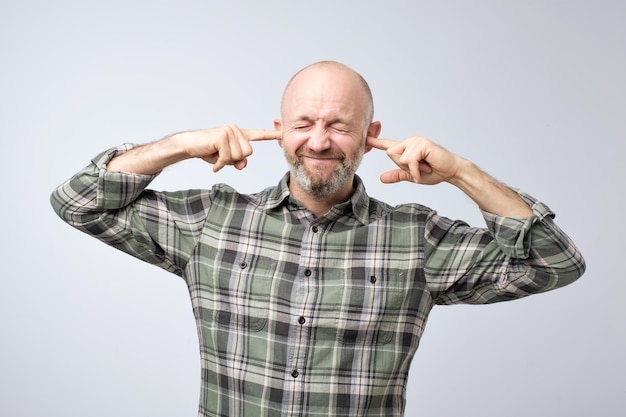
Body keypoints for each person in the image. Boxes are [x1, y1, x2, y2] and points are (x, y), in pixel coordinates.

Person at [50, 60, 586, 417]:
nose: (320, 141)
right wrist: (181, 145)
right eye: (304, 122)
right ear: (280, 129)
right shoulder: (209, 221)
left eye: (340, 125)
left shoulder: (417, 238)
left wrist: (461, 172)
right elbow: (76, 201)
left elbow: (555, 262)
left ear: (372, 137)